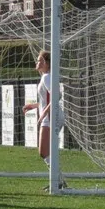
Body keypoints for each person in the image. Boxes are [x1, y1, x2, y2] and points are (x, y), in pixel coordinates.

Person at [22, 50, 67, 190]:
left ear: (47, 64)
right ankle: (59, 181)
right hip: (50, 115)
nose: (37, 62)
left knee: (43, 151)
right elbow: (46, 100)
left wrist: (43, 114)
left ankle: (59, 181)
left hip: (52, 116)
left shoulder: (47, 77)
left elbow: (57, 96)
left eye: (40, 60)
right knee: (46, 151)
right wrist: (34, 106)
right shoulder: (45, 77)